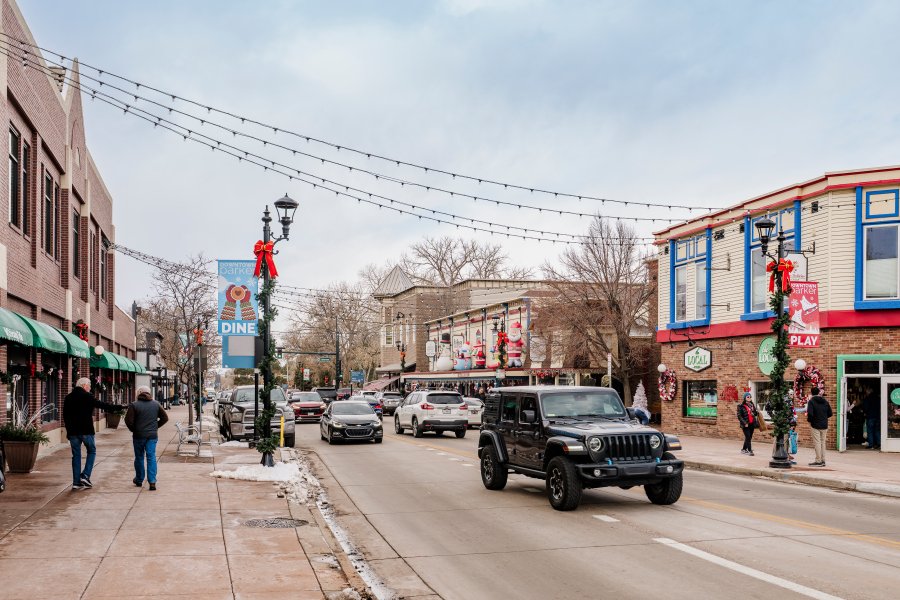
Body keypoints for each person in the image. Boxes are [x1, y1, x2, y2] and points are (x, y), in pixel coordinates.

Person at [63, 378, 123, 490]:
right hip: (86, 430)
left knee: (76, 455)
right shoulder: (87, 396)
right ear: (84, 385)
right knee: (92, 451)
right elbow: (102, 405)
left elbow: (65, 416)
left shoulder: (68, 397)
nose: (90, 387)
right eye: (89, 385)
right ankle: (85, 475)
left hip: (73, 432)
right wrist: (119, 407)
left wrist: (69, 431)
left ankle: (76, 482)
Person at [125, 385, 169, 490]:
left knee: (139, 457)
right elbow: (165, 418)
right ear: (149, 393)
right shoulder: (156, 404)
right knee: (151, 457)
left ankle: (139, 479)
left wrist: (134, 429)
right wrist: (155, 427)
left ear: (139, 393)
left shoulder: (134, 405)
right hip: (152, 436)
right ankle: (152, 481)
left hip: (138, 436)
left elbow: (128, 421)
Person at [806, 387, 833, 466]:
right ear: (818, 392)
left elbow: (810, 414)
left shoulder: (811, 401)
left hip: (815, 425)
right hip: (824, 424)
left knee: (817, 443)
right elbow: (830, 413)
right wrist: (823, 418)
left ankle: (818, 460)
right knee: (823, 443)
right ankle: (823, 460)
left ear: (811, 393)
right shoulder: (825, 401)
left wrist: (810, 421)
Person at [863, 386, 881, 450]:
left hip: (870, 416)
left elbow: (866, 408)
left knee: (870, 431)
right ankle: (879, 444)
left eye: (866, 392)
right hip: (878, 416)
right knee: (877, 431)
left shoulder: (867, 398)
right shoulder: (878, 398)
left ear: (868, 391)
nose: (866, 393)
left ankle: (871, 445)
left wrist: (865, 412)